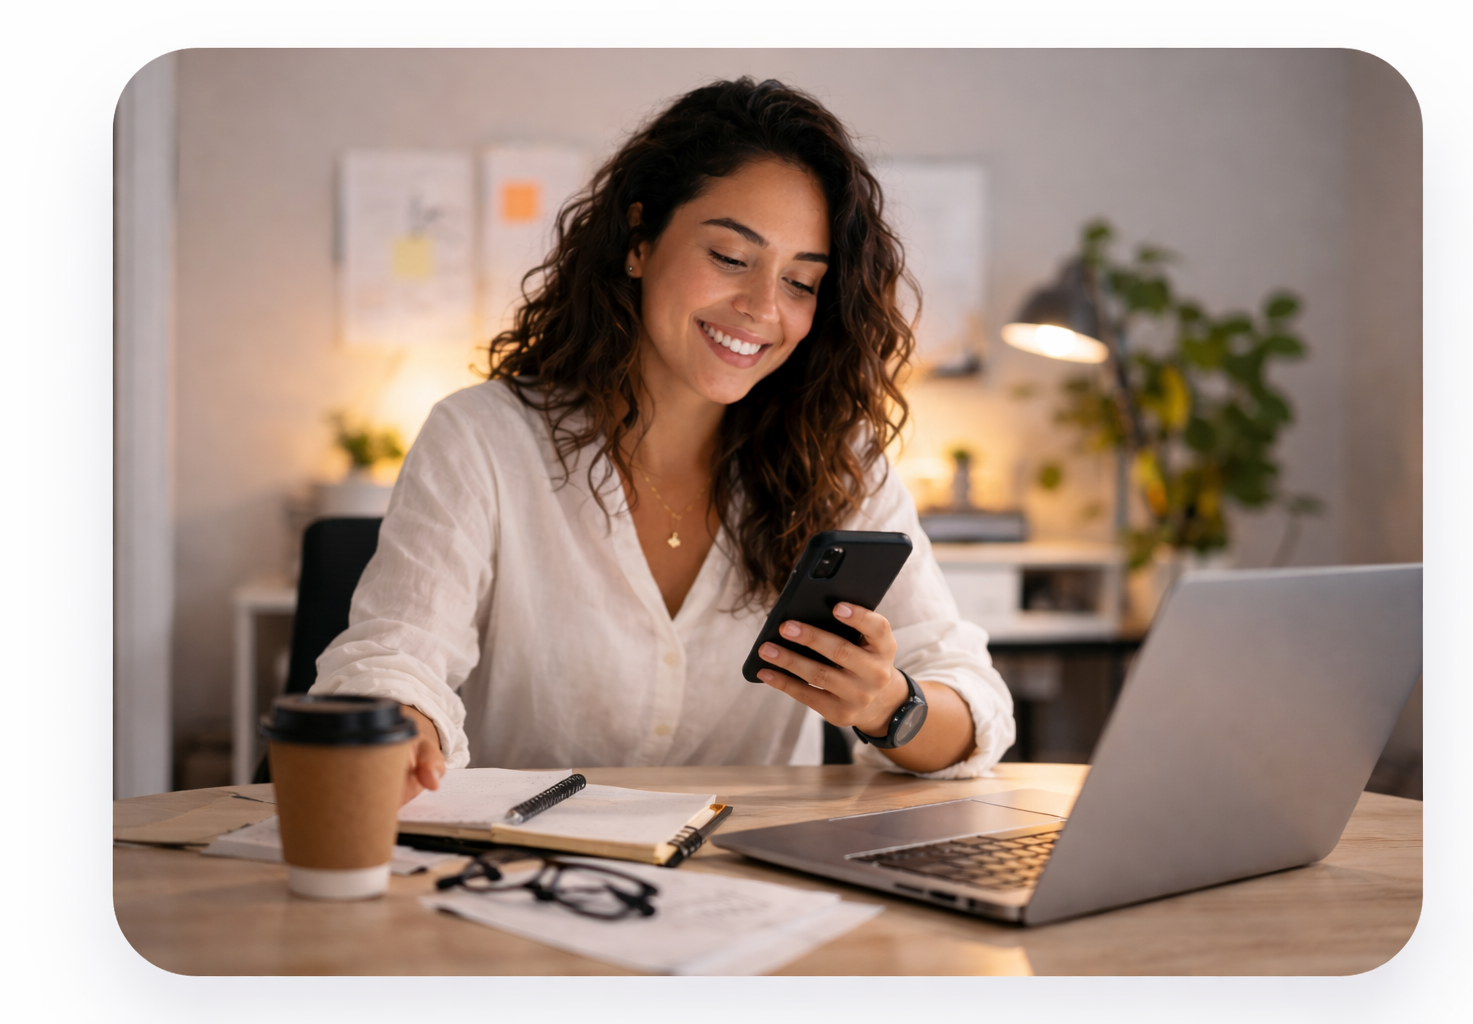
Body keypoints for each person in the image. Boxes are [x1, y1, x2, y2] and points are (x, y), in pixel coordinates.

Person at [310, 78, 1014, 804]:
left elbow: (972, 698)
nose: (763, 308)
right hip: (525, 879)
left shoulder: (842, 461)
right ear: (639, 241)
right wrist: (399, 718)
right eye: (731, 259)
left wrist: (889, 707)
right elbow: (396, 653)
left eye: (802, 282)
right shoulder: (482, 440)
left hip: (751, 889)